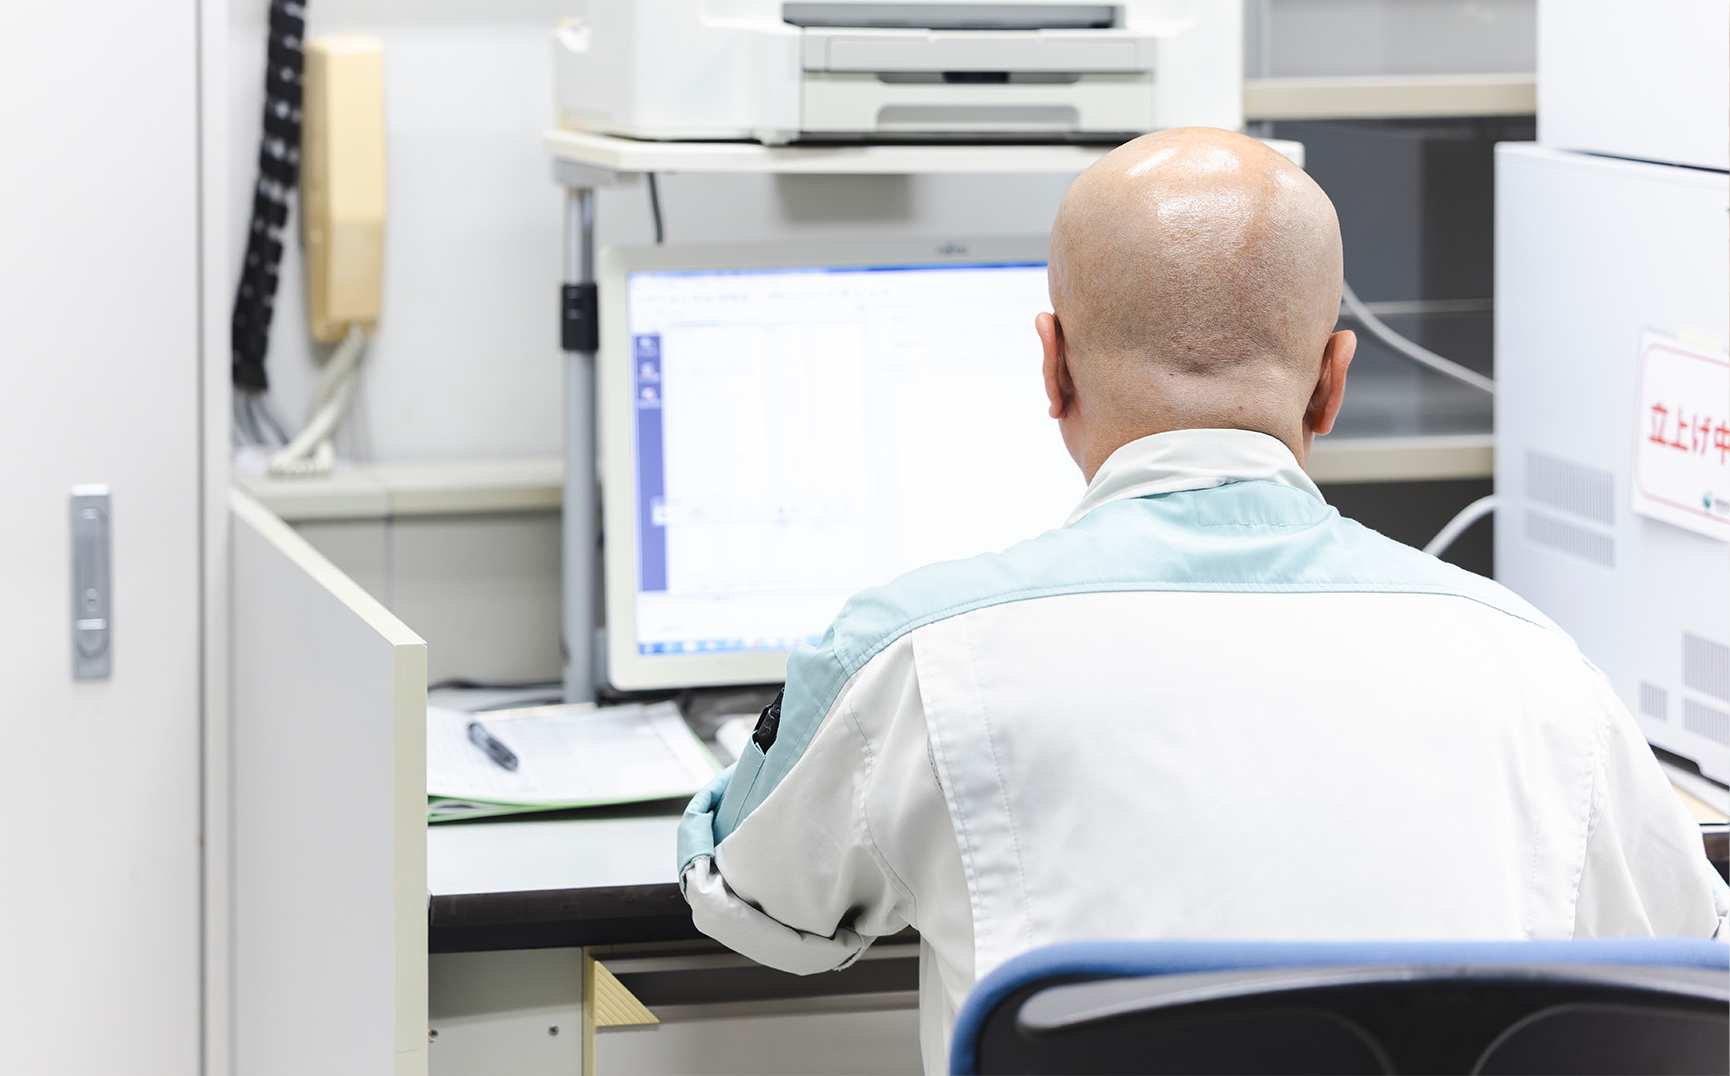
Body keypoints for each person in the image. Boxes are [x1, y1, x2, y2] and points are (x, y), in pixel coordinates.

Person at [674, 127, 1729, 1073]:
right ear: (1332, 379)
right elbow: (1691, 967)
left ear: (1052, 369)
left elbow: (756, 905)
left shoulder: (914, 652)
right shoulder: (1535, 665)